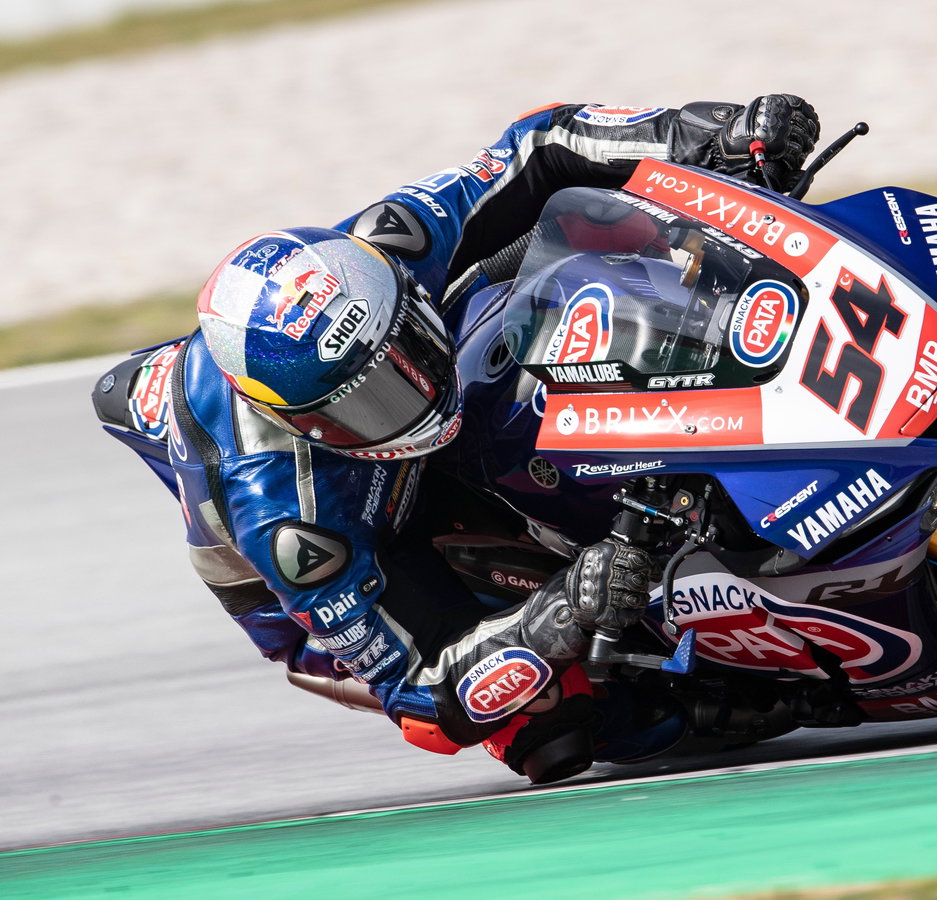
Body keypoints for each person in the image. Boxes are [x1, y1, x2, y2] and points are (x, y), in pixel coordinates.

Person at [106, 96, 820, 783]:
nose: (412, 393)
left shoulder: (386, 245)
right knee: (552, 723)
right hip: (355, 549)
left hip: (411, 392)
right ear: (303, 421)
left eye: (405, 354)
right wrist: (561, 610)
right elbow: (419, 691)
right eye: (370, 402)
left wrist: (714, 134)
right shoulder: (289, 521)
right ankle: (696, 697)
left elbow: (541, 145)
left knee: (590, 239)